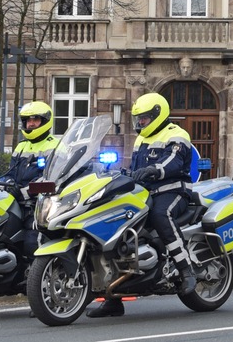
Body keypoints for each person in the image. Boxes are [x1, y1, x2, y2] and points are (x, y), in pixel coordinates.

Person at [87, 92, 195, 319]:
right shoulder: (140, 140)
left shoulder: (177, 134)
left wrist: (155, 170)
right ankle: (113, 298)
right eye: (138, 118)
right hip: (144, 193)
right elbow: (134, 168)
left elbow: (173, 161)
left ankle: (186, 269)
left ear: (157, 114)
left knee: (160, 214)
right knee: (114, 223)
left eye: (144, 118)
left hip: (173, 190)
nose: (140, 123)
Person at [0, 100, 56, 317]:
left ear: (45, 121)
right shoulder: (21, 146)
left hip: (37, 203)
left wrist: (26, 191)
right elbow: (11, 174)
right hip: (14, 202)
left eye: (35, 120)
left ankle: (40, 297)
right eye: (27, 121)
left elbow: (52, 176)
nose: (31, 124)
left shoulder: (55, 145)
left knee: (33, 242)